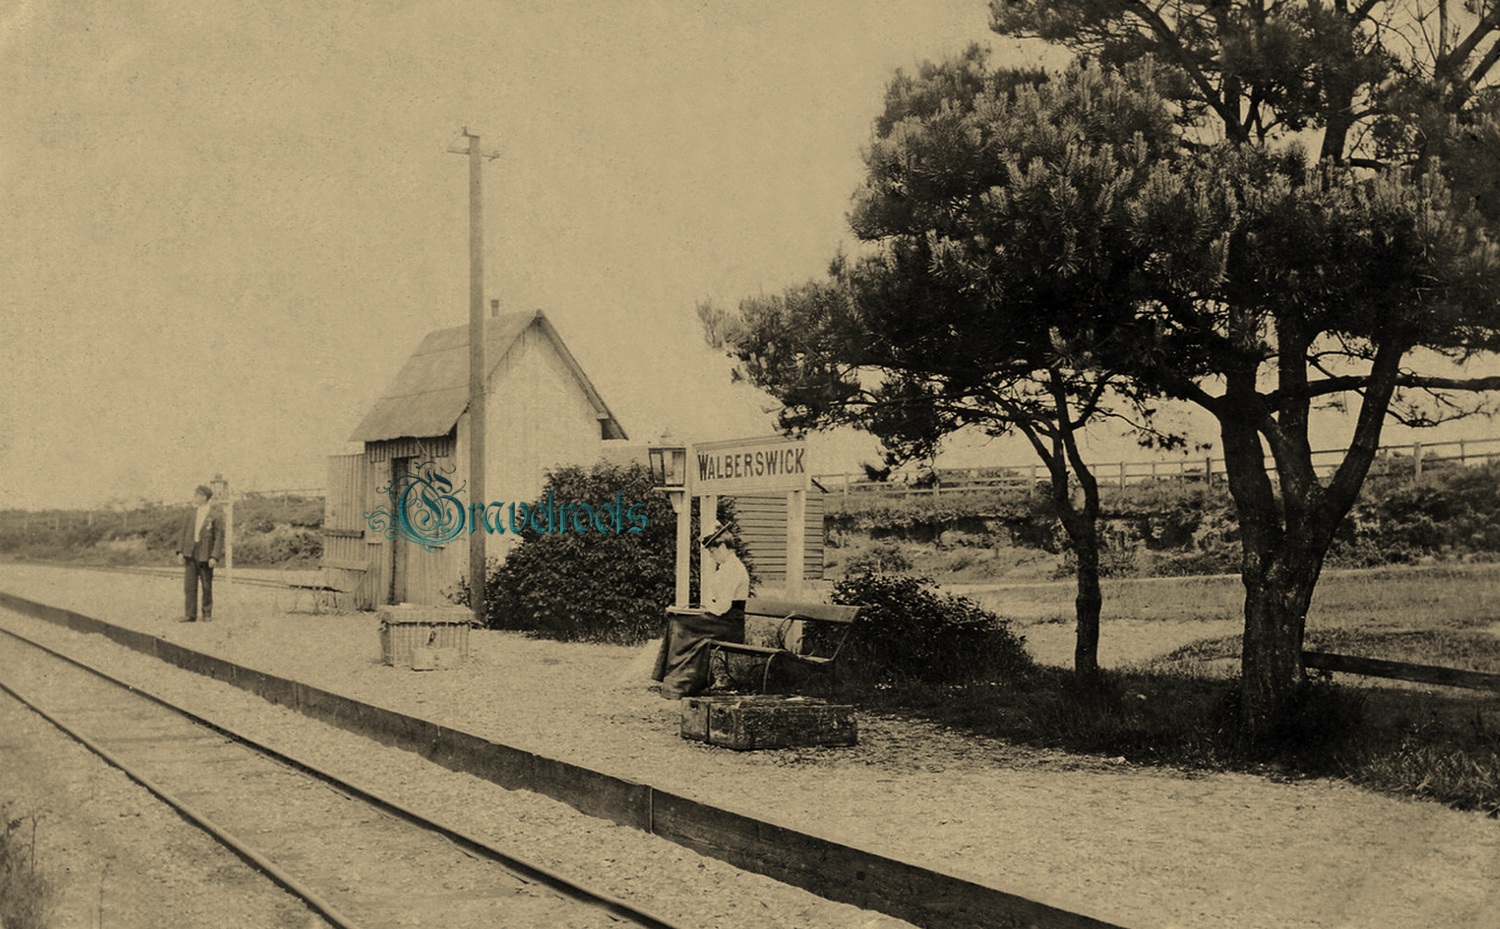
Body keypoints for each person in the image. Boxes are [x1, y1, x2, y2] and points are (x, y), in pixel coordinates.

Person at [652, 523, 750, 698]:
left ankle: (680, 683)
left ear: (722, 547)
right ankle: (672, 679)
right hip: (721, 620)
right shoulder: (726, 567)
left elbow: (723, 607)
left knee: (679, 623)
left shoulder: (733, 569)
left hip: (729, 623)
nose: (712, 557)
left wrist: (699, 613)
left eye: (712, 552)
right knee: (676, 620)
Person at [175, 484, 225, 622]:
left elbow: (219, 538)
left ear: (203, 497)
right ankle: (190, 614)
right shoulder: (190, 513)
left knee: (206, 585)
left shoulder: (215, 515)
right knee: (189, 586)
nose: (194, 497)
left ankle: (207, 613)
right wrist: (180, 552)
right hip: (190, 553)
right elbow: (183, 533)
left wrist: (214, 556)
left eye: (196, 495)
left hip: (206, 555)